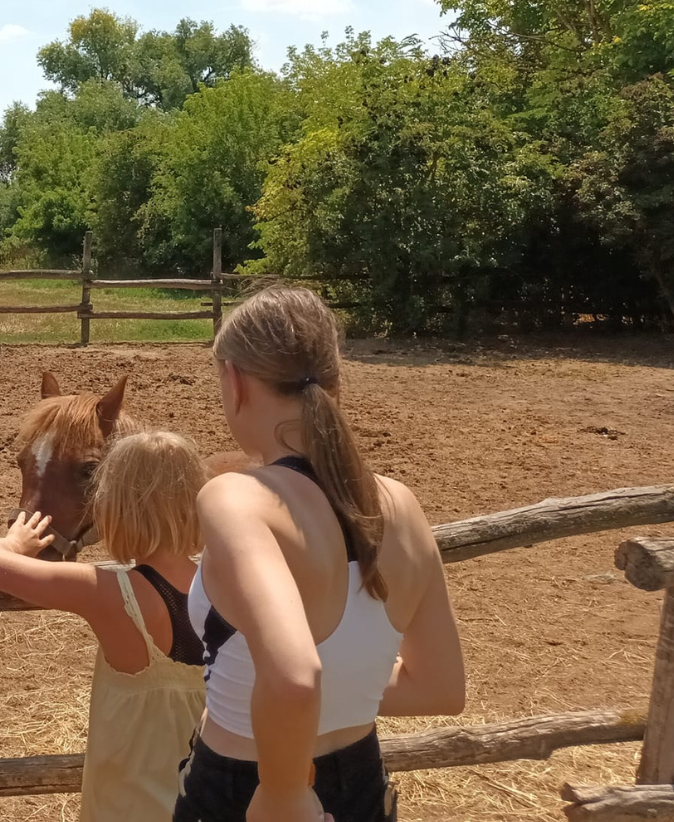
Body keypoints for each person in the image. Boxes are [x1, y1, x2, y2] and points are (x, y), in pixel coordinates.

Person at [173, 287, 466, 822]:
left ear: (234, 381)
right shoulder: (399, 503)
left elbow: (294, 676)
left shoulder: (237, 498)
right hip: (360, 781)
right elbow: (441, 688)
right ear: (334, 382)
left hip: (249, 785)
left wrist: (283, 791)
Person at [0, 430, 209, 822]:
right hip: (206, 807)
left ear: (115, 507)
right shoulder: (225, 586)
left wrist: (14, 543)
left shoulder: (109, 593)